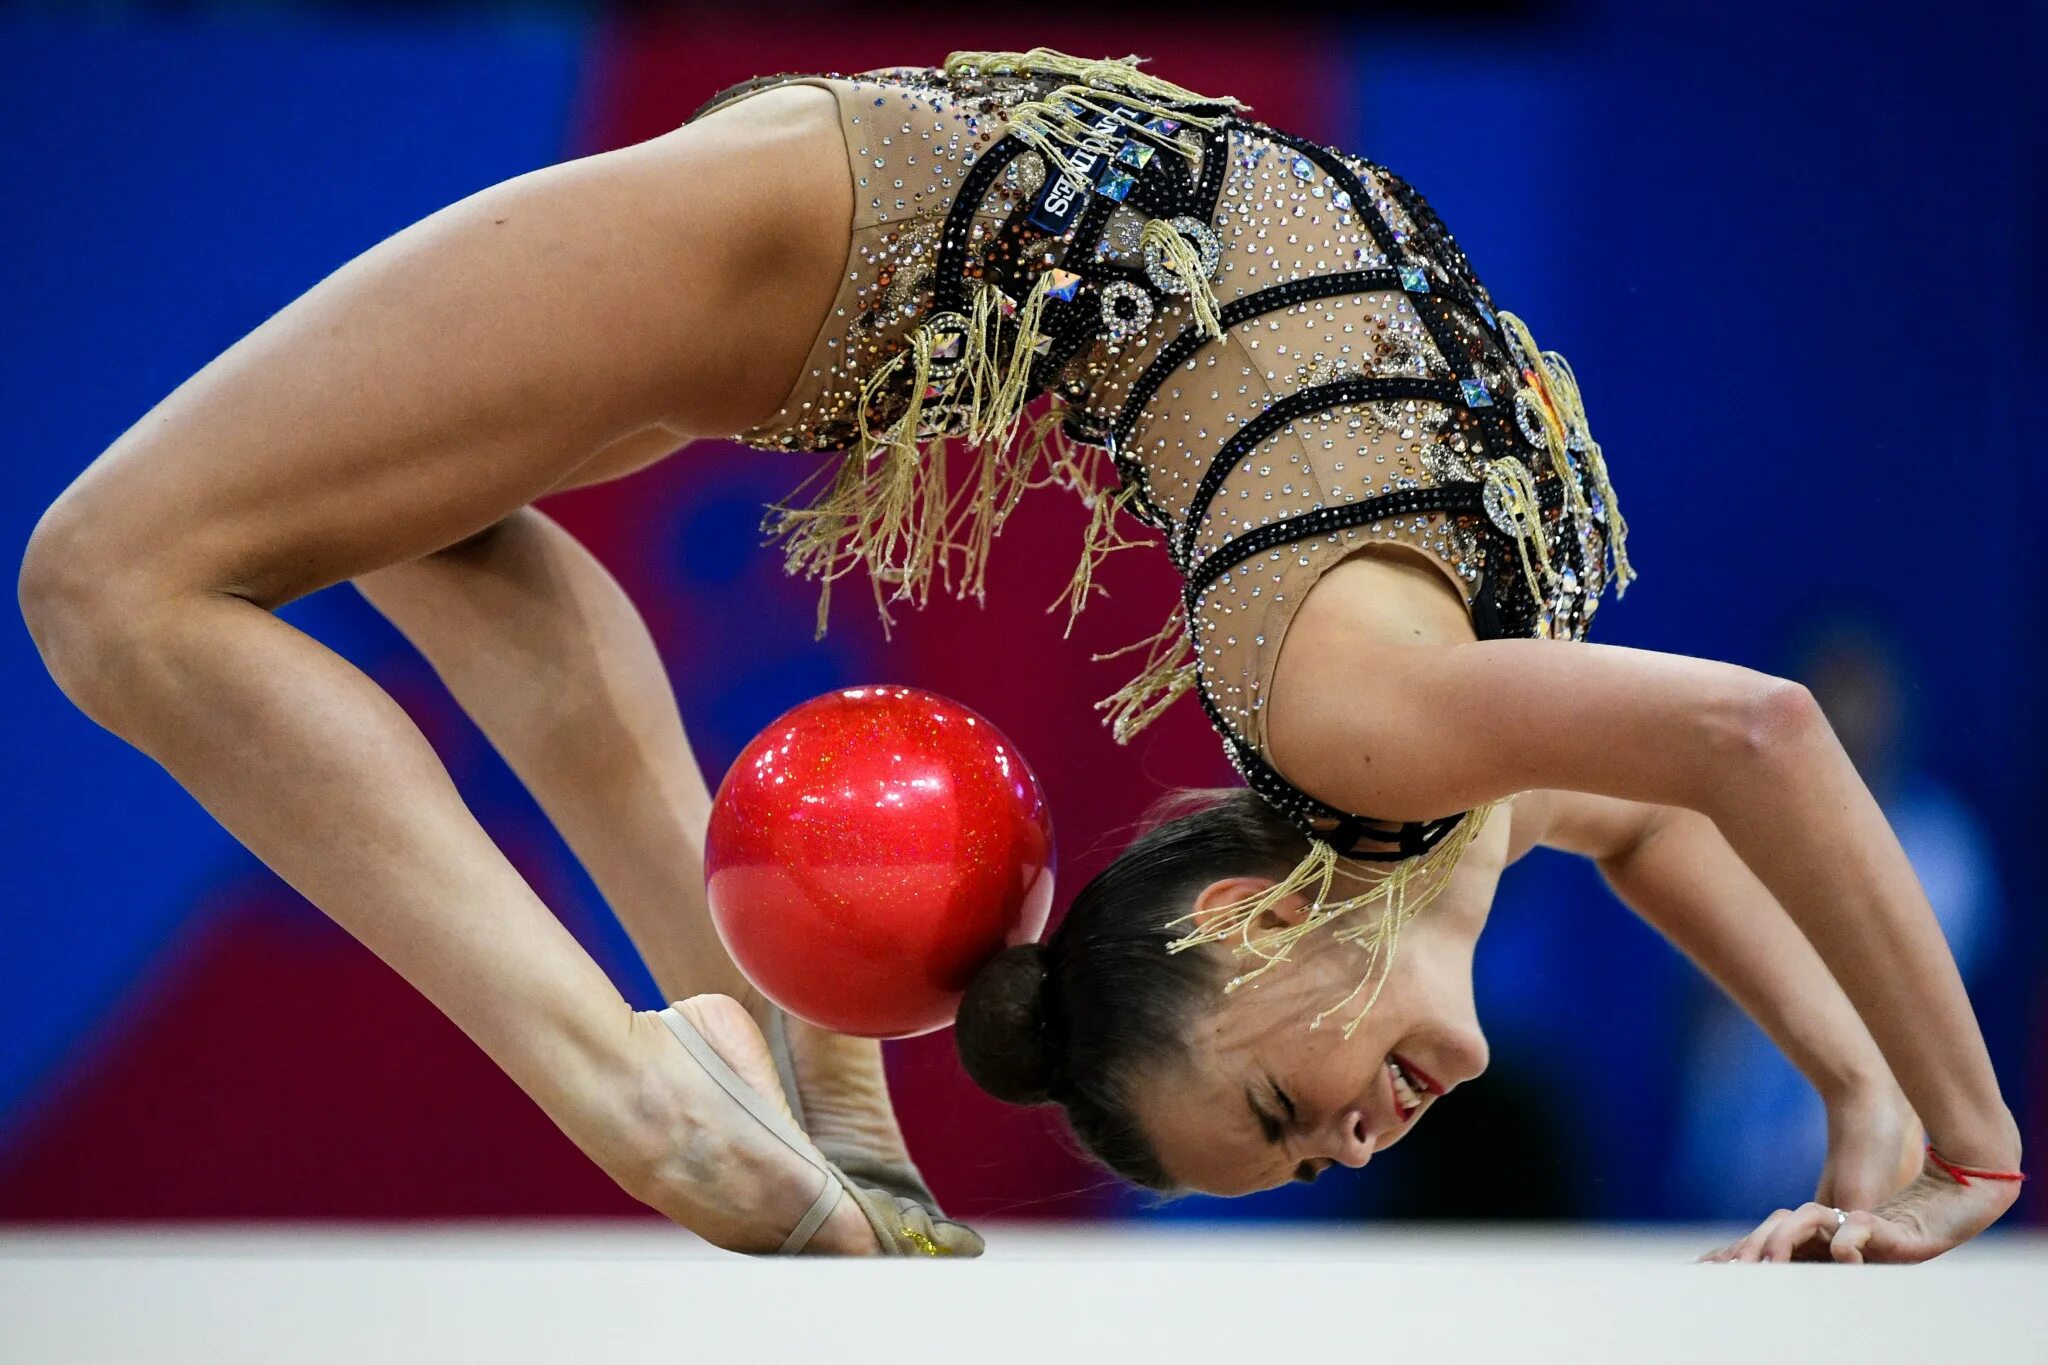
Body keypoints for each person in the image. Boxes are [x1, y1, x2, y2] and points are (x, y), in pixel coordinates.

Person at [17, 48, 2020, 1260]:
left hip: (849, 221)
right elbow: (1730, 753)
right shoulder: (1410, 756)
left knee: (200, 559)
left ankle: (700, 1062)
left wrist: (1886, 1116)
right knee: (203, 556)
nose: (1343, 1136)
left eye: (1276, 1128)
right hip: (854, 212)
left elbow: (1690, 789)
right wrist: (1933, 1130)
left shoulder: (1417, 769)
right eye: (1294, 1139)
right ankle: (708, 1068)